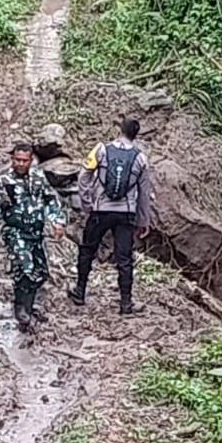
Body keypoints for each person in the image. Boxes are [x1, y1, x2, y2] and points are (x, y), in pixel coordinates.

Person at [71, 117, 153, 315]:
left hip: (100, 210)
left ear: (119, 130)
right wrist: (143, 221)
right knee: (124, 258)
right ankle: (126, 303)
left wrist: (87, 203)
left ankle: (80, 291)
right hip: (126, 214)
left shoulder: (101, 149)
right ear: (136, 135)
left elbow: (83, 176)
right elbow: (144, 193)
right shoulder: (141, 158)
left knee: (87, 249)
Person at [0, 143, 65, 333]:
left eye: (24, 160)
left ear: (31, 161)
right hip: (15, 231)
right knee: (25, 268)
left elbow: (50, 199)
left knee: (41, 272)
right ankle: (20, 308)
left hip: (36, 233)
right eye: (17, 160)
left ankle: (27, 306)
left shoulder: (38, 178)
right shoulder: (3, 181)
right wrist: (2, 204)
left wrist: (58, 221)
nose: (21, 164)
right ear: (12, 159)